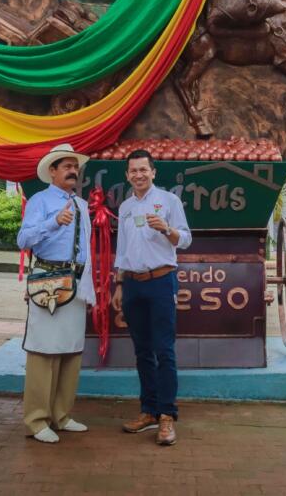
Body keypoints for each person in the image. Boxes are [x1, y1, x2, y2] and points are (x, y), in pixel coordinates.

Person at [17, 142, 96, 444]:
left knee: (70, 349)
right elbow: (23, 239)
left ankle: (61, 415)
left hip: (76, 282)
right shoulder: (40, 201)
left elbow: (86, 249)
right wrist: (53, 222)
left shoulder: (83, 206)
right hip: (48, 280)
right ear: (52, 171)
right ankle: (37, 420)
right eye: (66, 166)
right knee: (43, 350)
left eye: (75, 166)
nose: (73, 171)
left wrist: (89, 283)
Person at [112, 149, 192, 446]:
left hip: (161, 282)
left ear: (153, 172)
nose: (138, 175)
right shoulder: (126, 207)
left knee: (164, 350)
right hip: (133, 284)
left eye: (143, 170)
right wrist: (119, 285)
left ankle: (167, 415)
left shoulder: (169, 201)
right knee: (142, 351)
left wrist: (167, 229)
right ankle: (148, 411)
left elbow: (185, 238)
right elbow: (121, 250)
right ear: (127, 175)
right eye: (133, 171)